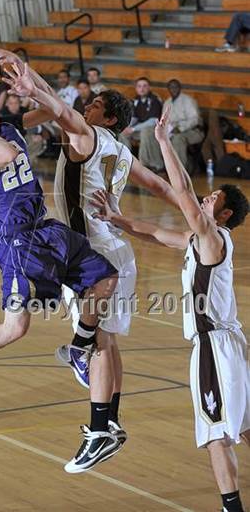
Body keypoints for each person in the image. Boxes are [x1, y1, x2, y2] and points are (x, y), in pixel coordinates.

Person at [0, 52, 179, 474]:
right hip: (116, 252)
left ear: (110, 119)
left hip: (93, 254)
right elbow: (158, 185)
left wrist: (29, 77)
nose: (87, 108)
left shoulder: (88, 137)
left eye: (96, 105)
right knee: (108, 344)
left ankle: (99, 431)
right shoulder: (119, 150)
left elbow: (58, 109)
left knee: (97, 345)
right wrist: (192, 214)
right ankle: (109, 423)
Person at [0, 97, 122, 468]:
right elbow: (3, 155)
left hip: (45, 230)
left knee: (106, 278)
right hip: (16, 241)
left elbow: (53, 111)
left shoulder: (8, 123)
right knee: (15, 327)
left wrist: (31, 84)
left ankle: (79, 347)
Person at [92, 111, 250, 512]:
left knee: (216, 433)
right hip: (229, 344)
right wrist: (117, 218)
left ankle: (231, 508)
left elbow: (181, 194)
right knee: (246, 426)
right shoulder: (201, 241)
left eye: (213, 199)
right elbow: (158, 233)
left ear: (225, 214)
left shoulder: (211, 237)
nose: (204, 198)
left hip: (214, 346)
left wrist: (163, 142)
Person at [140, 79, 203, 172]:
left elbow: (195, 120)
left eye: (176, 87)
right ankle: (156, 165)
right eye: (171, 87)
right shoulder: (167, 102)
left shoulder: (188, 100)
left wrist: (180, 128)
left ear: (180, 88)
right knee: (148, 132)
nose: (173, 89)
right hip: (171, 130)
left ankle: (179, 170)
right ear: (168, 89)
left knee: (178, 138)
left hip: (192, 131)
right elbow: (164, 120)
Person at [119, 77, 162, 150]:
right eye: (139, 86)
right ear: (136, 88)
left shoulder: (154, 100)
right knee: (123, 133)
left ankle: (144, 160)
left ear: (149, 87)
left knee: (145, 132)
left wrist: (133, 129)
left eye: (145, 86)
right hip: (139, 128)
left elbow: (153, 121)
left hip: (153, 129)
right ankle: (126, 158)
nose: (142, 89)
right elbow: (134, 118)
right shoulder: (137, 100)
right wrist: (127, 127)